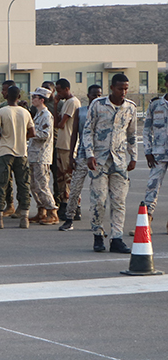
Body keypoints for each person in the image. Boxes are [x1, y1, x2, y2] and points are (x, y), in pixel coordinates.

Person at [83, 73, 137, 253]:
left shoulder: (130, 108)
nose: (123, 92)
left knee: (119, 201)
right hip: (99, 160)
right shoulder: (98, 105)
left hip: (120, 161)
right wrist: (89, 154)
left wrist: (133, 156)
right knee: (99, 200)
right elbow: (88, 131)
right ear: (112, 88)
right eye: (120, 88)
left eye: (126, 89)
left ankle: (116, 238)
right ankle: (98, 236)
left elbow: (131, 134)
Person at [0, 86, 35, 229]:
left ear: (6, 96)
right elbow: (32, 132)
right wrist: (22, 136)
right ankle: (25, 218)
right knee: (23, 185)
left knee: (2, 184)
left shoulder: (2, 111)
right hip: (22, 152)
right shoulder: (25, 112)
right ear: (19, 96)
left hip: (5, 151)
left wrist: (5, 134)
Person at [60, 84, 102, 231]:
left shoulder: (104, 112)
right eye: (94, 95)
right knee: (75, 188)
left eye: (99, 95)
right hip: (83, 156)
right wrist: (71, 155)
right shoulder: (81, 112)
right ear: (88, 96)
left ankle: (96, 220)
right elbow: (74, 135)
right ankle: (69, 217)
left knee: (97, 191)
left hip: (98, 157)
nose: (96, 97)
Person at [26, 87, 58, 225]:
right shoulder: (37, 114)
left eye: (35, 98)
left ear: (42, 100)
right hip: (33, 154)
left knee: (42, 185)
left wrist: (32, 133)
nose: (32, 100)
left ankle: (52, 211)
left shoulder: (46, 115)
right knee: (34, 185)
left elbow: (46, 134)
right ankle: (41, 210)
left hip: (41, 156)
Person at [141, 77, 168, 234]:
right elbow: (146, 129)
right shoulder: (156, 104)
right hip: (158, 154)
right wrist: (148, 151)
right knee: (152, 187)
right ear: (166, 84)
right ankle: (146, 221)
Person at [54, 78, 81, 217]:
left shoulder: (72, 102)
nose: (58, 94)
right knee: (61, 178)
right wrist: (55, 104)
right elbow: (56, 122)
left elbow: (61, 123)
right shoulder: (65, 103)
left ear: (66, 89)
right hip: (61, 143)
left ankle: (74, 206)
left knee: (68, 177)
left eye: (59, 91)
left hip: (67, 144)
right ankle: (65, 203)